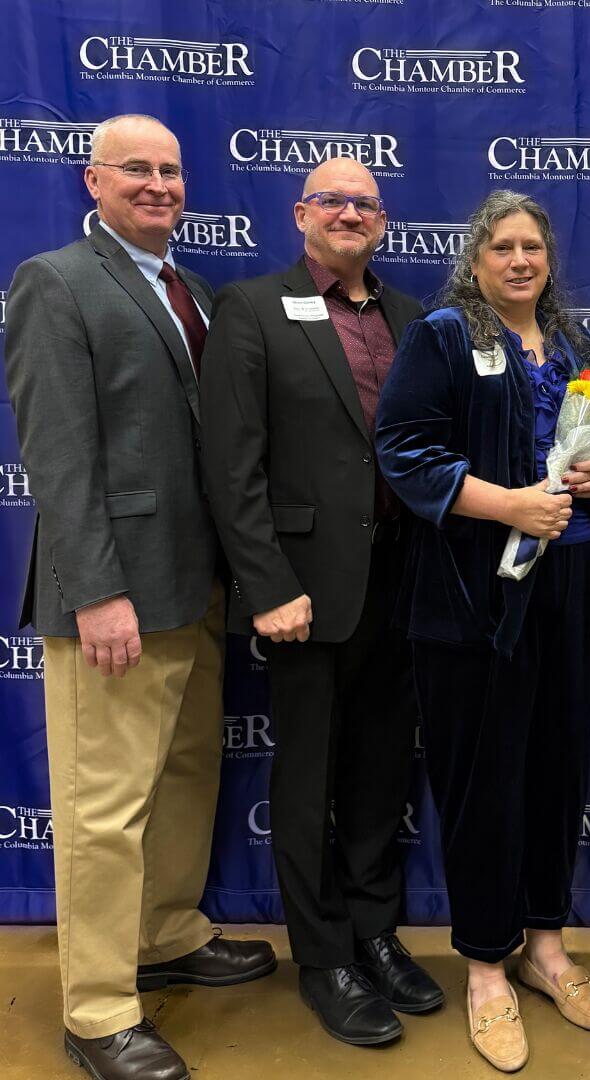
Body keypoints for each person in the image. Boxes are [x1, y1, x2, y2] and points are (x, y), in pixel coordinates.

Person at [3, 114, 275, 1080]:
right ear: (93, 181)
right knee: (104, 805)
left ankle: (165, 933)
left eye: (170, 169)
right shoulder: (55, 282)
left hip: (196, 585)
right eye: (136, 171)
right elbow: (59, 454)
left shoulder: (189, 290)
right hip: (116, 596)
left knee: (185, 773)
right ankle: (98, 1009)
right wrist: (96, 592)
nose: (158, 185)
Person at [199, 158, 442, 1047]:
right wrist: (267, 586)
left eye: (366, 203)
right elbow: (233, 465)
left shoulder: (414, 319)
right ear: (301, 213)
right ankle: (324, 957)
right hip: (301, 592)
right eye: (333, 200)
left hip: (403, 580)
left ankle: (376, 934)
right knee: (305, 779)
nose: (350, 213)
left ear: (384, 222)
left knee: (382, 771)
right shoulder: (252, 308)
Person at [375, 190, 590, 1072]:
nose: (520, 261)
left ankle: (546, 944)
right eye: (503, 247)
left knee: (557, 764)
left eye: (534, 248)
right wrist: (505, 502)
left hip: (572, 582)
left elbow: (586, 454)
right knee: (483, 776)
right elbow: (403, 449)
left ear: (549, 261)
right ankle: (485, 963)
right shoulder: (443, 336)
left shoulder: (579, 346)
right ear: (476, 259)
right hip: (471, 596)